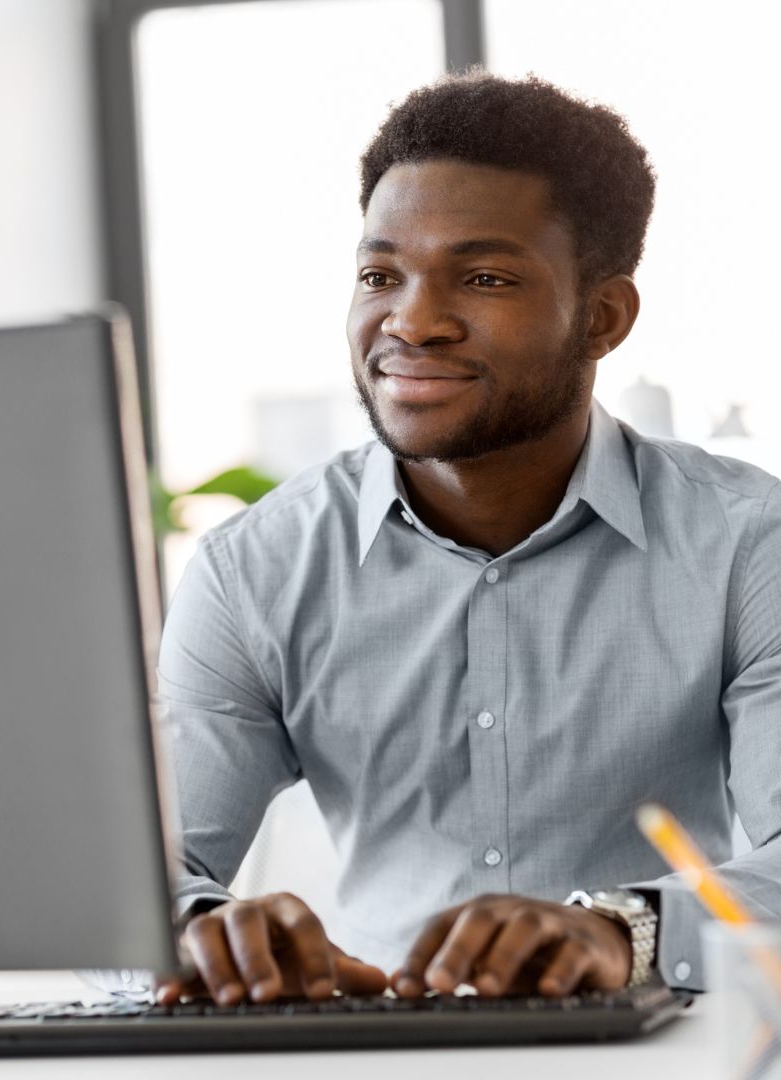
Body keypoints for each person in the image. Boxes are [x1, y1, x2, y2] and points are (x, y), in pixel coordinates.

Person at [155, 71, 781, 1006]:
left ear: (603, 316)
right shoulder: (256, 569)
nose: (411, 321)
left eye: (484, 278)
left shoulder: (746, 545)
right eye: (379, 275)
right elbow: (140, 875)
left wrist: (621, 929)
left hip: (668, 1052)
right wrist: (206, 936)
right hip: (368, 1054)